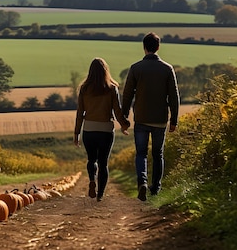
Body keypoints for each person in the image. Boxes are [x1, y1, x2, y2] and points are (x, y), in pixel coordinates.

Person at [122, 32, 180, 202]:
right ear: (158, 47)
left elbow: (127, 96)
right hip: (160, 119)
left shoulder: (136, 68)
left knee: (141, 153)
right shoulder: (167, 69)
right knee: (158, 154)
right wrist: (174, 120)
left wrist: (124, 118)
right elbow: (174, 97)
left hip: (141, 118)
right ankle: (156, 189)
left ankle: (142, 182)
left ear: (144, 47)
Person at [74, 57, 130, 202]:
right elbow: (117, 110)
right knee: (103, 163)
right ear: (106, 71)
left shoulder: (84, 89)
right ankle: (100, 194)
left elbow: (80, 112)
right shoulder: (112, 88)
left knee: (91, 159)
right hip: (106, 129)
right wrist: (124, 125)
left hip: (89, 129)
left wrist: (76, 133)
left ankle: (92, 179)